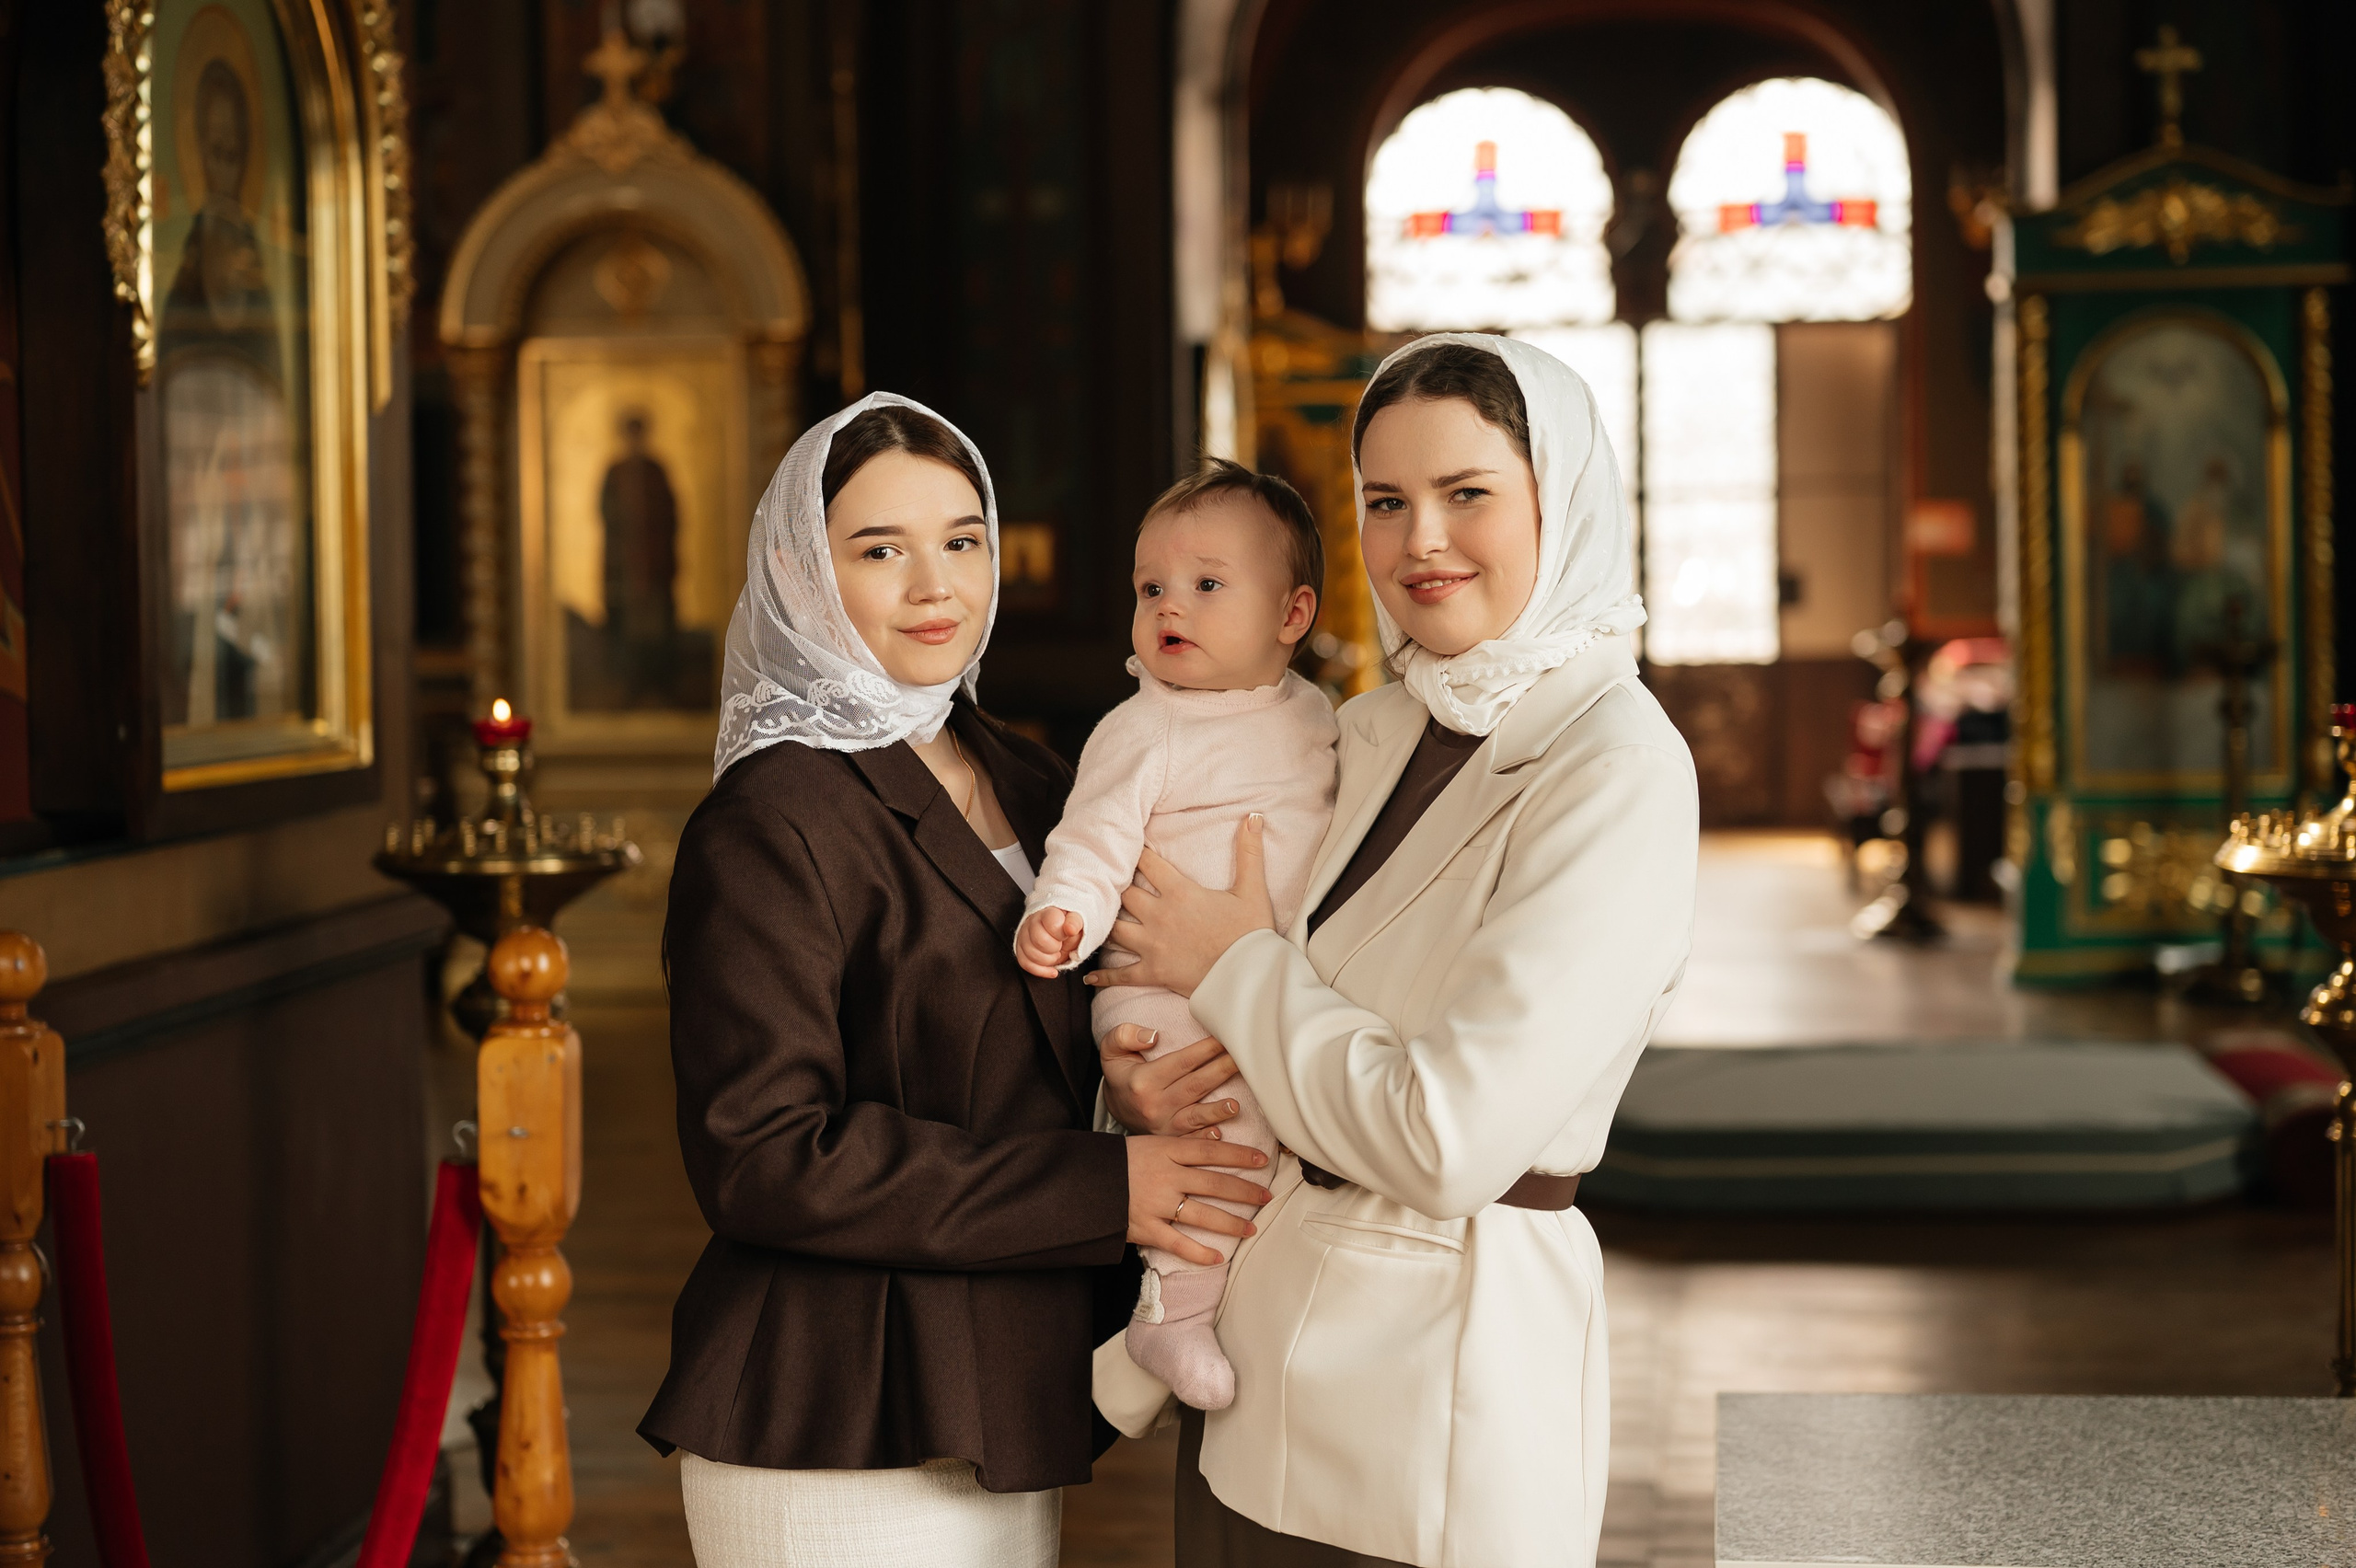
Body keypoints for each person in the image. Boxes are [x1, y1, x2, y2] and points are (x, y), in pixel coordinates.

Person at [1092, 335, 1699, 1568]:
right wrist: (1144, 1092)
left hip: (1435, 1396)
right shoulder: (1362, 728)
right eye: (1384, 501)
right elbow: (1213, 1005)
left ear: (1561, 499)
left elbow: (1446, 1138)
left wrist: (1231, 968)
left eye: (1467, 494)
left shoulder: (1616, 767)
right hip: (1251, 1372)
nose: (1421, 539)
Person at [639, 393, 1271, 1567]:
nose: (936, 585)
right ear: (800, 575)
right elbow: (764, 1156)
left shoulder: (1029, 776)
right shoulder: (773, 816)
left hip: (994, 1383)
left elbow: (1027, 1053)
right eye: (881, 550)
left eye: (962, 540)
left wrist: (1121, 1093)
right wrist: (1104, 1186)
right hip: (835, 1401)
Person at [1014, 459, 1339, 1412]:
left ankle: (1163, 1339)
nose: (1171, 607)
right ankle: (1172, 1314)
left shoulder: (1318, 716)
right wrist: (1062, 914)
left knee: (1285, 1143)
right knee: (1220, 1139)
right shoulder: (1144, 726)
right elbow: (1093, 834)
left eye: (1205, 584)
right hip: (1167, 989)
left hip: (1265, 974)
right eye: (1150, 588)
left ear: (1291, 616)